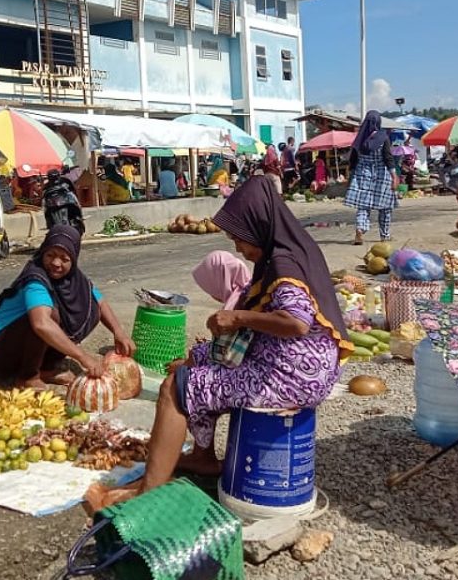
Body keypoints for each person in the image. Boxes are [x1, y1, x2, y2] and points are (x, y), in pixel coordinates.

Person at [83, 177, 350, 511]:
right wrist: (203, 353)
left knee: (175, 387)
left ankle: (147, 491)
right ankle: (203, 457)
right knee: (196, 363)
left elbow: (296, 323)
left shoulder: (283, 265)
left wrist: (237, 318)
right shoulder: (289, 250)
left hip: (291, 376)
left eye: (239, 238)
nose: (238, 247)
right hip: (301, 367)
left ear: (257, 225)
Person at [0, 225, 134, 388]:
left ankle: (46, 368)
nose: (56, 263)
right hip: (1, 353)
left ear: (74, 259)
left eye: (64, 258)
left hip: (26, 345)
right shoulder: (35, 278)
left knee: (92, 309)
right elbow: (41, 324)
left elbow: (100, 303)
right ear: (43, 252)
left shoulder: (76, 279)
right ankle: (28, 376)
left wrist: (119, 332)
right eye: (50, 255)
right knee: (47, 318)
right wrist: (83, 357)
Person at [344, 110, 398, 245]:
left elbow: (353, 160)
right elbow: (388, 158)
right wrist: (394, 175)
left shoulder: (360, 138)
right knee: (385, 207)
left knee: (363, 206)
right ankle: (385, 235)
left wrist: (350, 176)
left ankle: (360, 230)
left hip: (363, 174)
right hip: (381, 174)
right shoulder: (383, 137)